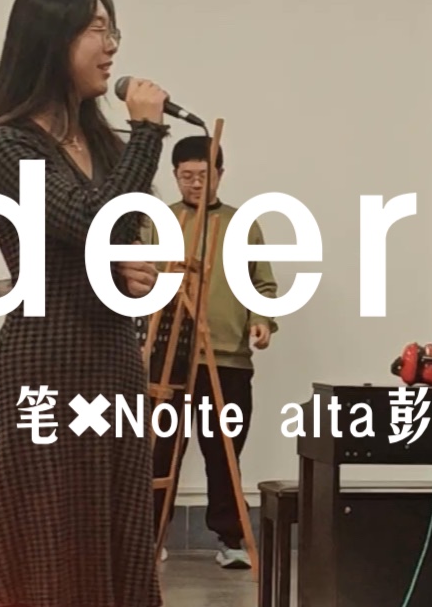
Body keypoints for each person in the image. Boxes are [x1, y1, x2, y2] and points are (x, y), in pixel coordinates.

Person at [0, 0, 169, 607]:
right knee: (50, 542)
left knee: (122, 539)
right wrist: (147, 133)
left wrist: (127, 269)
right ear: (51, 39)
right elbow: (86, 218)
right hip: (44, 364)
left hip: (111, 358)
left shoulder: (101, 142)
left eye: (113, 31)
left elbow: (113, 231)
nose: (111, 47)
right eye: (97, 30)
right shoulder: (6, 143)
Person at [150, 135, 279, 569]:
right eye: (185, 176)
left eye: (203, 175)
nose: (194, 184)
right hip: (169, 356)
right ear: (174, 176)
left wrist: (261, 320)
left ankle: (231, 539)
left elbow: (262, 284)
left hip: (226, 358)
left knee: (224, 451)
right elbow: (138, 278)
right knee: (160, 449)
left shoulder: (242, 225)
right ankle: (150, 536)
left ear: (220, 174)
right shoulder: (160, 221)